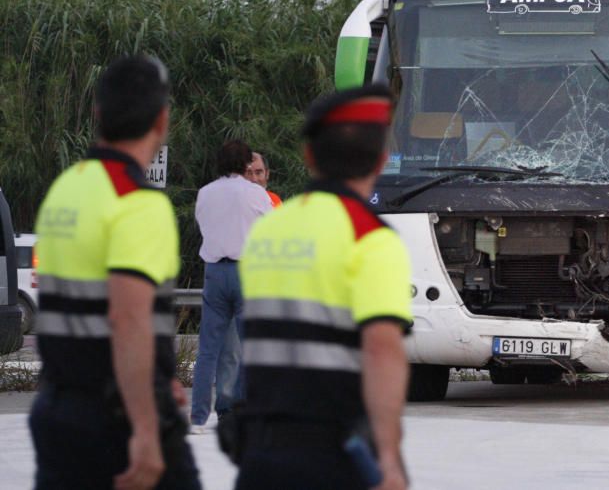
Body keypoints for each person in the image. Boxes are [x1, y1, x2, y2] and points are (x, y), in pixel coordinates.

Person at [30, 55, 200, 489]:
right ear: (162, 120)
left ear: (97, 114)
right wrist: (145, 426)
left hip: (57, 411)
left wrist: (160, 376)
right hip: (117, 421)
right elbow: (128, 319)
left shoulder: (66, 189)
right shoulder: (138, 203)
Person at [235, 85, 412, 490]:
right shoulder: (370, 237)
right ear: (381, 161)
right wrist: (389, 458)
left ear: (309, 156)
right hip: (330, 456)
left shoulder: (268, 229)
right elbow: (382, 350)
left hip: (259, 454)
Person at [190, 140, 271, 432]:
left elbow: (203, 226)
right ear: (245, 163)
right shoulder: (257, 194)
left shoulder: (205, 193)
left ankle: (198, 416)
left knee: (209, 349)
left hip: (214, 271)